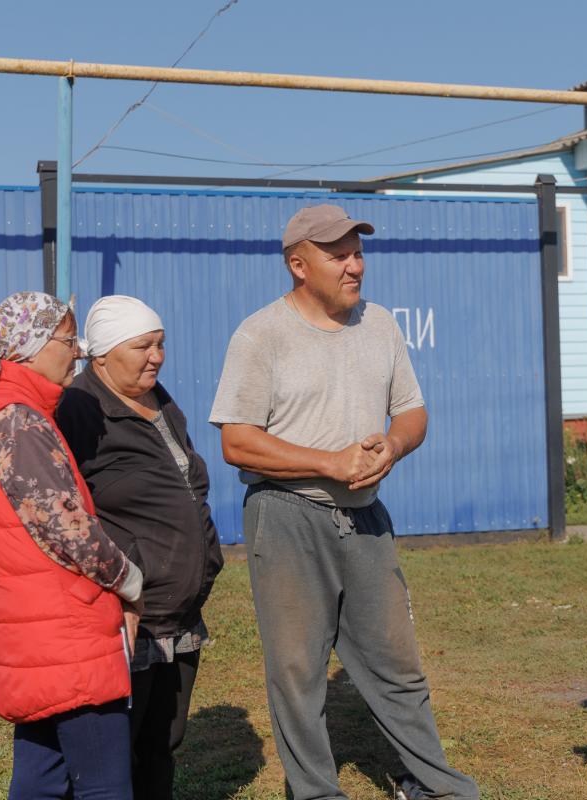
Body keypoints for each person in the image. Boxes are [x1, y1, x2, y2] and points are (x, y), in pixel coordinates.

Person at [209, 204, 478, 800]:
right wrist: (327, 461)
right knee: (298, 671)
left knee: (397, 665)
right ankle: (316, 793)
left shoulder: (379, 323)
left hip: (366, 519)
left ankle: (437, 787)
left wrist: (395, 444)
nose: (355, 265)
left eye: (358, 252)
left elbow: (412, 410)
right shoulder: (261, 334)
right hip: (285, 515)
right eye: (340, 254)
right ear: (298, 264)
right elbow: (237, 441)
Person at [0, 291, 143, 800]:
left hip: (35, 629)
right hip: (66, 628)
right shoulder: (17, 418)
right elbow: (68, 529)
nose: (78, 350)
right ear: (28, 347)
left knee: (42, 775)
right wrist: (129, 579)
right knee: (105, 783)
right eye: (67, 339)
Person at [56, 295, 224, 800]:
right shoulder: (81, 409)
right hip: (129, 611)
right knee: (116, 749)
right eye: (143, 346)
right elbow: (64, 509)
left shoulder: (159, 400)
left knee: (164, 741)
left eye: (161, 344)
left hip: (181, 611)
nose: (157, 356)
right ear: (102, 356)